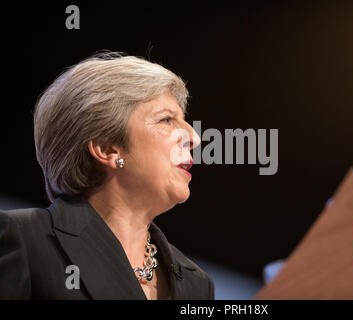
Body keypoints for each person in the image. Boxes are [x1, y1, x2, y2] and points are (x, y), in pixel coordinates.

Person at [0, 52, 214, 300]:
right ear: (107, 148)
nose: (194, 137)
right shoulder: (25, 241)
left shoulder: (197, 284)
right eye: (166, 119)